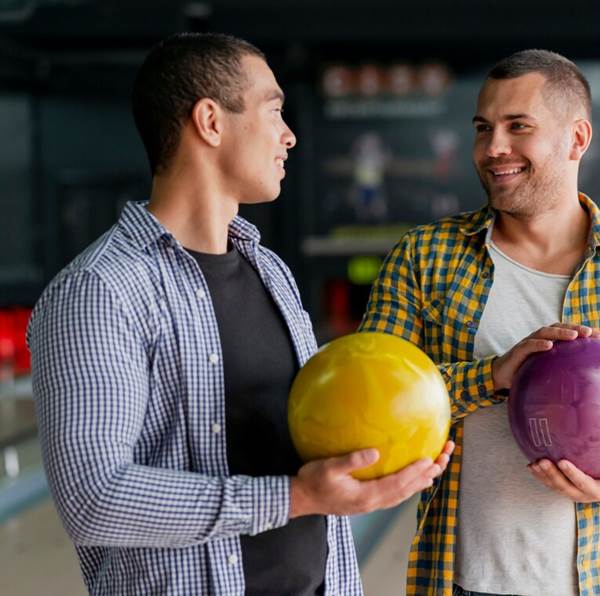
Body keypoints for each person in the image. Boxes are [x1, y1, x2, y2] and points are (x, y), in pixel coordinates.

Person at [27, 32, 452, 596]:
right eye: (273, 110)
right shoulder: (100, 291)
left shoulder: (268, 269)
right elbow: (95, 499)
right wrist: (297, 497)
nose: (290, 134)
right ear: (210, 121)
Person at [359, 49, 600, 595]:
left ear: (577, 139)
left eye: (518, 127)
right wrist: (490, 377)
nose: (493, 148)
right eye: (483, 129)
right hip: (465, 582)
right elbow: (371, 404)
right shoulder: (423, 258)